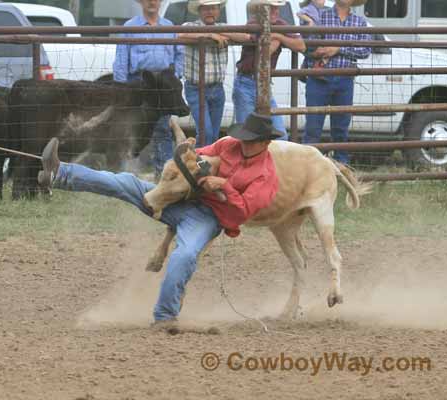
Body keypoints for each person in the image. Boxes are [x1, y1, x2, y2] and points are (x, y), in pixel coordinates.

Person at [37, 112, 283, 331]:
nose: (244, 143)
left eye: (251, 140)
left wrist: (225, 186)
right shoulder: (229, 145)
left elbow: (243, 213)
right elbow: (199, 157)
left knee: (185, 254)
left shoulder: (265, 177)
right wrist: (192, 157)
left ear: (265, 143)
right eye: (244, 138)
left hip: (209, 218)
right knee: (126, 182)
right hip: (182, 198)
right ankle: (59, 174)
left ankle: (165, 316)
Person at [113, 0, 185, 181]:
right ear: (141, 2)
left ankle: (164, 175)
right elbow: (121, 58)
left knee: (162, 129)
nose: (152, 2)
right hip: (139, 85)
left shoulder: (169, 27)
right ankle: (126, 175)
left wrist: (173, 78)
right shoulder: (130, 27)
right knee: (131, 129)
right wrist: (121, 89)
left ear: (160, 2)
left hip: (162, 87)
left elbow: (179, 54)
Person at [302, 0, 371, 164]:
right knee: (313, 126)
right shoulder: (319, 16)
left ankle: (341, 167)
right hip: (320, 77)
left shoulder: (359, 22)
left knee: (341, 128)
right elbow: (307, 44)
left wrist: (338, 49)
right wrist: (317, 49)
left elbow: (366, 50)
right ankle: (308, 167)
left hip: (344, 79)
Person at [177, 0, 251, 147]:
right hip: (196, 88)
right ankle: (199, 165)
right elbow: (180, 34)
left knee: (214, 134)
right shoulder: (191, 26)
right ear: (199, 11)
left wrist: (217, 32)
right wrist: (210, 35)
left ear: (218, 10)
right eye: (206, 8)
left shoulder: (223, 27)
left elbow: (246, 37)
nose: (210, 11)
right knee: (206, 133)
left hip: (217, 88)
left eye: (213, 8)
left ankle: (206, 165)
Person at [232, 0, 306, 141]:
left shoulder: (279, 24)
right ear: (261, 10)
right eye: (271, 9)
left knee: (280, 136)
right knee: (247, 135)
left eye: (277, 8)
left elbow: (301, 46)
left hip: (262, 83)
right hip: (247, 82)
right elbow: (264, 48)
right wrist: (279, 39)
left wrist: (278, 36)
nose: (276, 12)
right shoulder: (254, 24)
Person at [297, 0, 330, 70]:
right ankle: (313, 69)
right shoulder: (310, 8)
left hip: (315, 37)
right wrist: (309, 21)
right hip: (310, 38)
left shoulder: (320, 10)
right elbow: (299, 13)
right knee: (319, 54)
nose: (323, 1)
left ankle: (304, 69)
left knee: (315, 54)